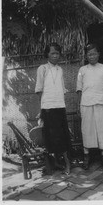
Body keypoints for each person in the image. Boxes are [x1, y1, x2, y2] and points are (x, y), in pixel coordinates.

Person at [35, 42, 71, 175]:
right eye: (52, 53)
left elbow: (62, 90)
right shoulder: (42, 69)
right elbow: (39, 90)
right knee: (52, 137)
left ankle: (67, 164)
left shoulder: (60, 70)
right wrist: (42, 109)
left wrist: (61, 103)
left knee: (63, 136)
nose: (55, 56)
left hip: (60, 107)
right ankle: (56, 162)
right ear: (47, 54)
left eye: (57, 53)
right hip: (48, 108)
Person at [76, 43, 103, 170]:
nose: (91, 56)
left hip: (100, 103)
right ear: (86, 56)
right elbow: (79, 89)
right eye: (89, 54)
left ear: (98, 54)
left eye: (94, 53)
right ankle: (86, 157)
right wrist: (78, 105)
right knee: (87, 130)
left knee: (102, 131)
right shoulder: (82, 70)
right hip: (86, 104)